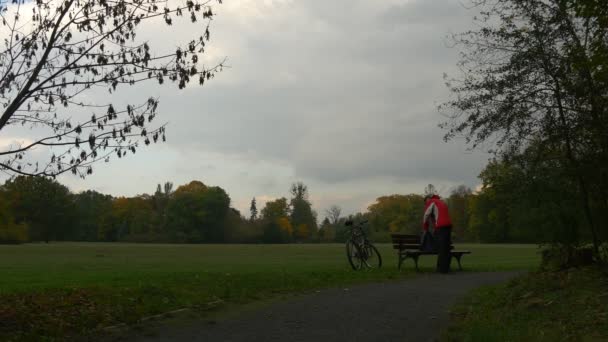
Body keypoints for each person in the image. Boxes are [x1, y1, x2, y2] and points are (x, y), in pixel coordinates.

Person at [422, 194, 453, 273]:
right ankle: (446, 268)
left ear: (428, 199)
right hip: (448, 225)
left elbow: (426, 215)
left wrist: (425, 227)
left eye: (426, 202)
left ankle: (441, 269)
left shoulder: (431, 202)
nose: (426, 204)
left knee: (441, 248)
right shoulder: (441, 202)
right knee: (446, 247)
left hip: (441, 226)